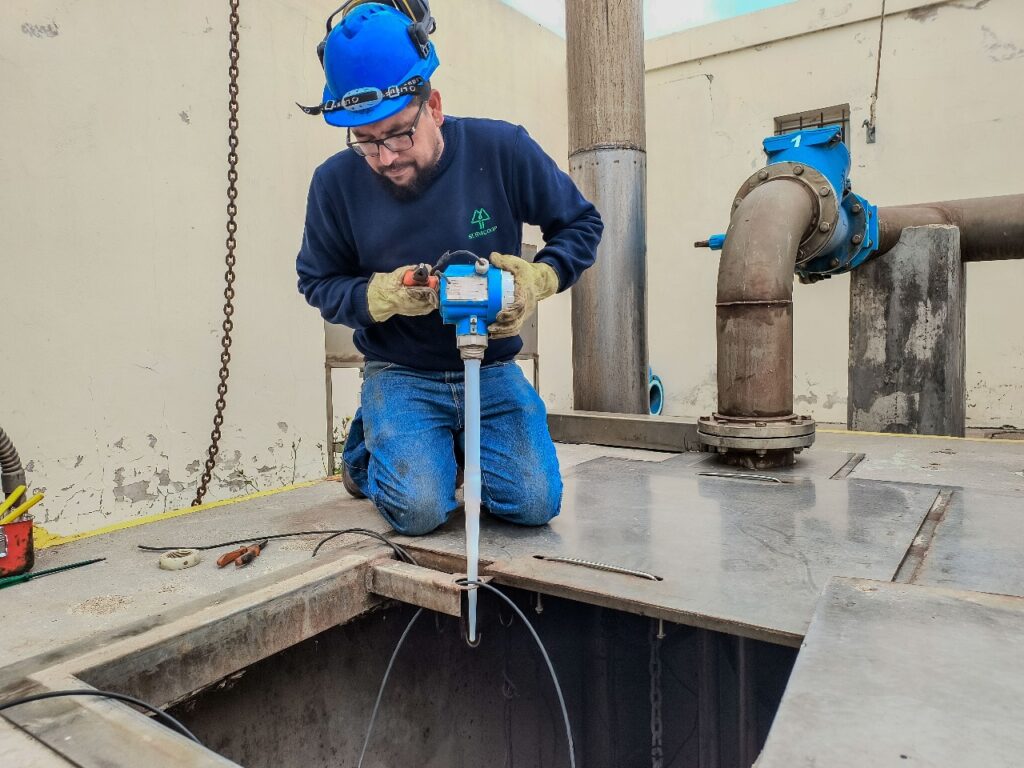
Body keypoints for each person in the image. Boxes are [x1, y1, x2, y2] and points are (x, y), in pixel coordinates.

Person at [296, 1, 602, 535]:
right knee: (417, 512)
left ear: (432, 105)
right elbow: (317, 281)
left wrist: (540, 279)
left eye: (398, 134)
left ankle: (447, 444)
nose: (385, 157)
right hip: (401, 370)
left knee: (534, 503)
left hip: (493, 366)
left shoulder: (502, 149)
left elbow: (581, 223)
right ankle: (369, 449)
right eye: (365, 141)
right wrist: (380, 295)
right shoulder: (334, 183)